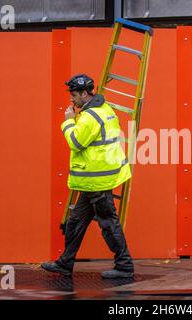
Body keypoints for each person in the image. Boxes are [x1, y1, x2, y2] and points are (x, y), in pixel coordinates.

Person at [41, 74, 134, 278]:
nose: (71, 100)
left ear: (84, 93)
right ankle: (65, 262)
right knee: (76, 221)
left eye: (74, 95)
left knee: (108, 222)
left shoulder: (89, 117)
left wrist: (68, 122)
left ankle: (125, 266)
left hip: (97, 179)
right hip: (94, 177)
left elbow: (75, 142)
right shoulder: (104, 108)